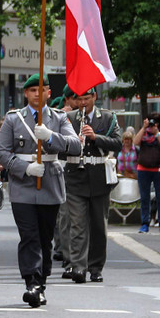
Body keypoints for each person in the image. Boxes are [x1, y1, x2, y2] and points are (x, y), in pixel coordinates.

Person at [0, 73, 82, 308]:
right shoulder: (14, 119)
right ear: (25, 93)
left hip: (50, 184)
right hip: (23, 185)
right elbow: (0, 152)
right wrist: (25, 168)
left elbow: (76, 146)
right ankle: (31, 281)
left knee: (45, 238)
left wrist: (51, 136)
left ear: (48, 93)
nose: (37, 94)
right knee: (29, 235)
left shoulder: (59, 118)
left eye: (41, 90)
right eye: (32, 90)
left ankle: (41, 283)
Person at [61, 86, 122, 284]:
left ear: (94, 97)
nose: (83, 103)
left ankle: (96, 267)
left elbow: (117, 143)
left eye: (87, 98)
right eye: (79, 99)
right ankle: (79, 266)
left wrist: (96, 138)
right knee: (77, 224)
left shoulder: (107, 117)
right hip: (75, 179)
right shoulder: (68, 118)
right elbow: (57, 148)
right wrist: (72, 142)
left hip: (99, 179)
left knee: (98, 225)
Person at [134, 113, 160, 234]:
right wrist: (144, 128)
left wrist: (157, 133)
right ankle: (145, 223)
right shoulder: (143, 133)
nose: (151, 125)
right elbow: (135, 141)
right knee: (144, 198)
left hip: (158, 170)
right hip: (143, 169)